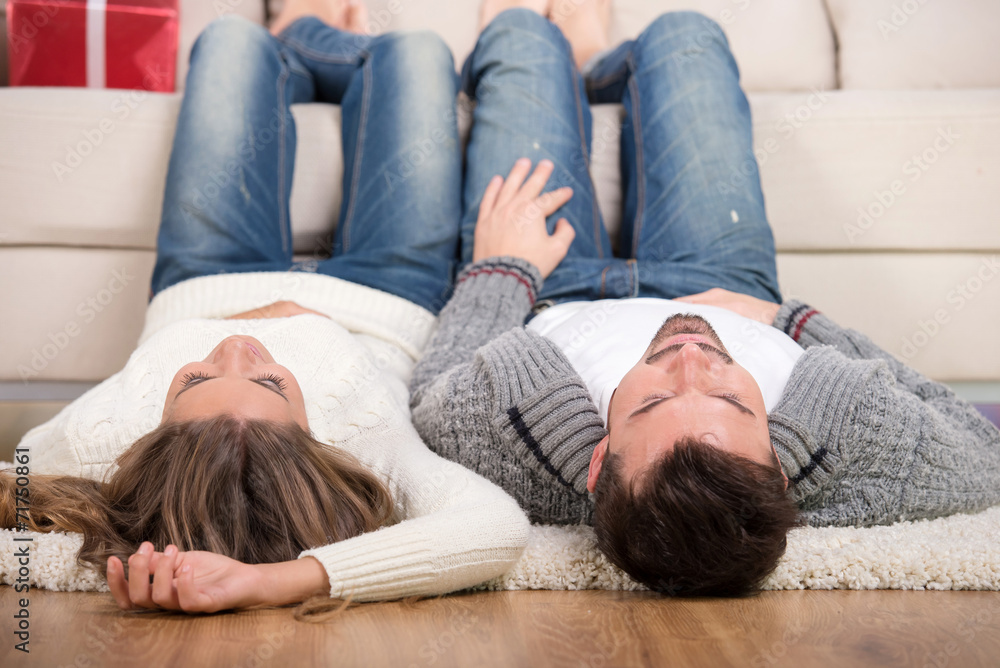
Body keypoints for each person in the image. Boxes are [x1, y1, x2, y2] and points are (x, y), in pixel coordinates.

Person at [409, 1, 1000, 597]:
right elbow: (985, 450)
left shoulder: (505, 442)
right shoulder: (851, 454)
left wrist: (500, 270)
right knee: (686, 34)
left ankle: (560, 56)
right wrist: (791, 319)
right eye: (730, 400)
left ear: (598, 461)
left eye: (654, 401)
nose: (690, 356)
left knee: (521, 34)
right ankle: (596, 60)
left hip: (556, 284)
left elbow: (428, 396)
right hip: (723, 281)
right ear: (780, 464)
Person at [1, 0, 529, 614]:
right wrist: (276, 581)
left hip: (209, 275)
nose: (235, 350)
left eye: (194, 380)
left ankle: (297, 29)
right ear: (315, 445)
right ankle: (325, 35)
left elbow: (16, 486)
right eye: (272, 383)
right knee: (416, 52)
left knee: (231, 39)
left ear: (154, 436)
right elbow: (497, 528)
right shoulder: (368, 453)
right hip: (388, 291)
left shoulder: (99, 441)